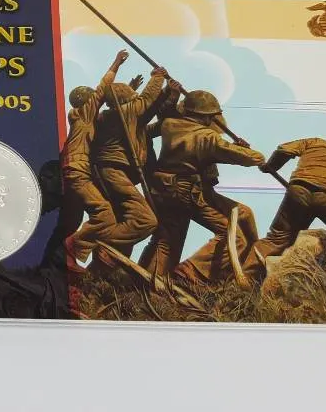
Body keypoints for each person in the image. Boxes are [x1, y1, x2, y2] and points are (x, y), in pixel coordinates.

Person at [137, 89, 264, 283]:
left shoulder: (169, 124)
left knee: (166, 241)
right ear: (206, 116)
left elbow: (143, 132)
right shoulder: (208, 137)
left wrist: (150, 163)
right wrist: (241, 148)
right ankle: (189, 272)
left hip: (162, 189)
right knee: (232, 236)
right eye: (211, 116)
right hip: (186, 193)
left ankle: (146, 283)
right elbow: (256, 158)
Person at [82, 65, 169, 264]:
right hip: (113, 171)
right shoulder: (123, 113)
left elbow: (146, 111)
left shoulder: (109, 116)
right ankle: (93, 242)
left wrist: (167, 93)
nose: (134, 98)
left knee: (125, 219)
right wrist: (157, 77)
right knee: (145, 220)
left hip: (109, 171)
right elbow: (146, 100)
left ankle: (107, 261)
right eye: (130, 95)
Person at [58, 49, 129, 262]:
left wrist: (130, 89)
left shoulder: (81, 118)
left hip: (73, 168)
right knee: (105, 214)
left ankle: (68, 259)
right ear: (87, 102)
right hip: (78, 169)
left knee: (74, 219)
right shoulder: (85, 114)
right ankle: (72, 248)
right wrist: (116, 63)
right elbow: (103, 87)